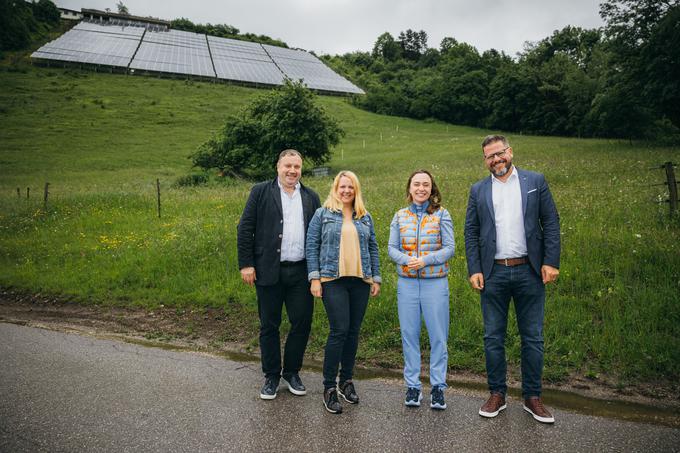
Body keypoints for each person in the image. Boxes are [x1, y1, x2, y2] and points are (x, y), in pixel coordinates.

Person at [464, 135, 560, 424]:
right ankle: (497, 394)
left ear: (510, 152)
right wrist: (474, 268)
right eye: (490, 156)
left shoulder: (535, 181)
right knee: (493, 337)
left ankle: (532, 397)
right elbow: (471, 231)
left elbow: (551, 222)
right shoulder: (478, 190)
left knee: (532, 337)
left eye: (500, 153)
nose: (496, 159)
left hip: (530, 271)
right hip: (493, 273)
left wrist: (551, 261)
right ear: (485, 161)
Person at [237, 149, 321, 400]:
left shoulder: (310, 196)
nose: (292, 171)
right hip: (268, 270)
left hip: (301, 271)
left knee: (302, 323)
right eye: (288, 166)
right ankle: (271, 375)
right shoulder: (261, 191)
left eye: (297, 166)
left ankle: (292, 372)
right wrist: (246, 265)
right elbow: (245, 228)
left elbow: (317, 236)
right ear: (278, 167)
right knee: (269, 325)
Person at [305, 171, 381, 414]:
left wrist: (375, 278)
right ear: (335, 188)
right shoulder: (323, 214)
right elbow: (312, 245)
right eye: (342, 186)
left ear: (356, 190)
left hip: (359, 280)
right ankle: (328, 387)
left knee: (353, 332)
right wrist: (315, 278)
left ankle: (346, 381)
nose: (346, 191)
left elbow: (373, 247)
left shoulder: (364, 216)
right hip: (332, 280)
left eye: (350, 187)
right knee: (339, 330)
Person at [388, 170, 455, 410]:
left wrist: (425, 260)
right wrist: (407, 260)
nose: (421, 188)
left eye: (425, 185)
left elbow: (449, 248)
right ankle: (413, 387)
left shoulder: (442, 214)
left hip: (435, 283)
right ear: (410, 188)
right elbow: (391, 249)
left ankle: (438, 388)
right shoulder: (400, 216)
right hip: (406, 284)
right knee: (409, 336)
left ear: (431, 189)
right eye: (416, 184)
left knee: (438, 336)